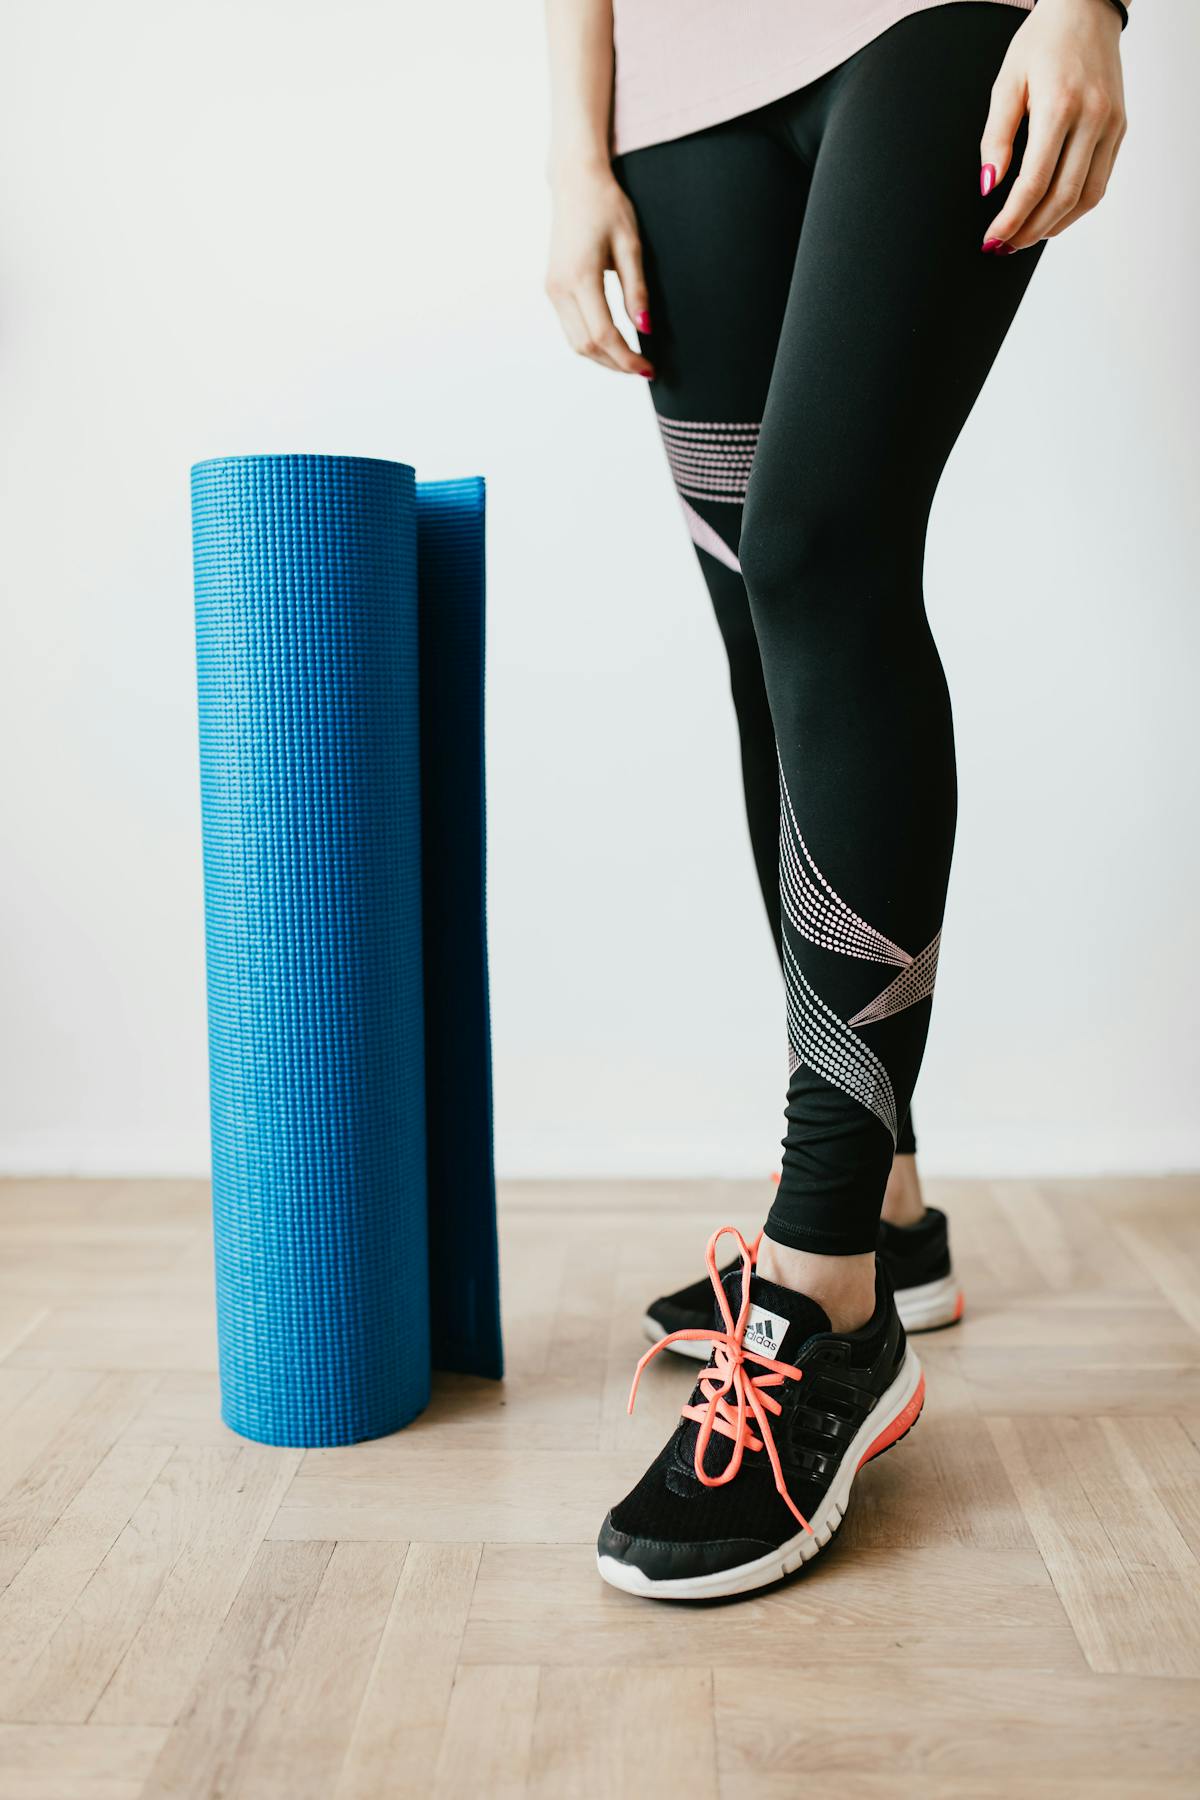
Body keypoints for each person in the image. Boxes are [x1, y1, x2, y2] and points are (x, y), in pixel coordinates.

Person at [544, 0, 1129, 1600]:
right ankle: (890, 1194)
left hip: (941, 26)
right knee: (763, 620)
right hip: (678, 82)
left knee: (818, 547)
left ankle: (830, 1290)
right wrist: (569, 144)